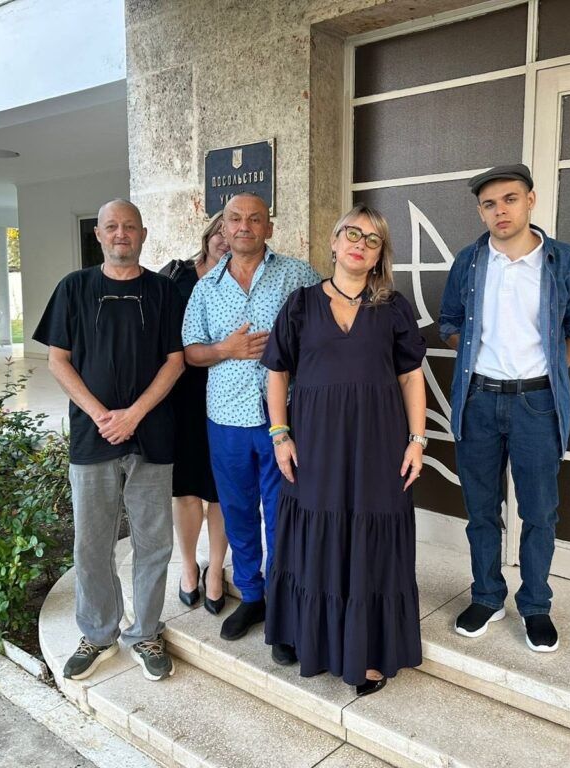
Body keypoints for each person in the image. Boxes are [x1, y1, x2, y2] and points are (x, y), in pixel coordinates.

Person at [262, 204, 427, 695]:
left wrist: (418, 441)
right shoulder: (300, 304)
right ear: (334, 242)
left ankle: (369, 650)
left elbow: (411, 376)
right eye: (352, 234)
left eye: (372, 240)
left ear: (379, 256)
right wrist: (280, 434)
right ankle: (306, 635)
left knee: (371, 537)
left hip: (379, 445)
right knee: (315, 533)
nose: (360, 244)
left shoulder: (393, 308)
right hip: (315, 445)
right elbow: (277, 372)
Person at [438, 164, 570, 653]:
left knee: (539, 512)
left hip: (537, 403)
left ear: (530, 200)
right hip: (478, 400)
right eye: (489, 204)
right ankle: (487, 596)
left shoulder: (566, 262)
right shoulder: (469, 262)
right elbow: (450, 323)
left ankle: (535, 606)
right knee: (481, 510)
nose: (500, 211)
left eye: (510, 199)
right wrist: (481, 360)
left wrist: (548, 367)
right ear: (480, 212)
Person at [33, 199, 184, 681]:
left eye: (130, 226)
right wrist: (102, 416)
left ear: (143, 234)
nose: (121, 234)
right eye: (112, 227)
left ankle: (145, 632)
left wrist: (134, 415)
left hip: (152, 436)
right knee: (92, 544)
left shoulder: (164, 290)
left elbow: (175, 361)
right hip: (92, 436)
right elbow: (58, 359)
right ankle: (98, 634)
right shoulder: (73, 288)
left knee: (154, 543)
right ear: (98, 235)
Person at [182, 192, 322, 644]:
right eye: (235, 219)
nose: (244, 226)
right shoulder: (206, 288)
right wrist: (226, 349)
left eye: (255, 219)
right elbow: (191, 352)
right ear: (223, 228)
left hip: (284, 420)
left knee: (283, 514)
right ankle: (252, 595)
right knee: (238, 512)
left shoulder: (298, 275)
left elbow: (324, 332)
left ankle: (283, 605)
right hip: (225, 419)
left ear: (269, 228)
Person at [159, 215, 229, 615]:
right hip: (180, 396)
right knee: (185, 489)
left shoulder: (239, 281)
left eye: (232, 233)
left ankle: (215, 569)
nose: (225, 239)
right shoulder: (176, 277)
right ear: (208, 234)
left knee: (221, 490)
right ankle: (189, 566)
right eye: (220, 230)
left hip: (227, 396)